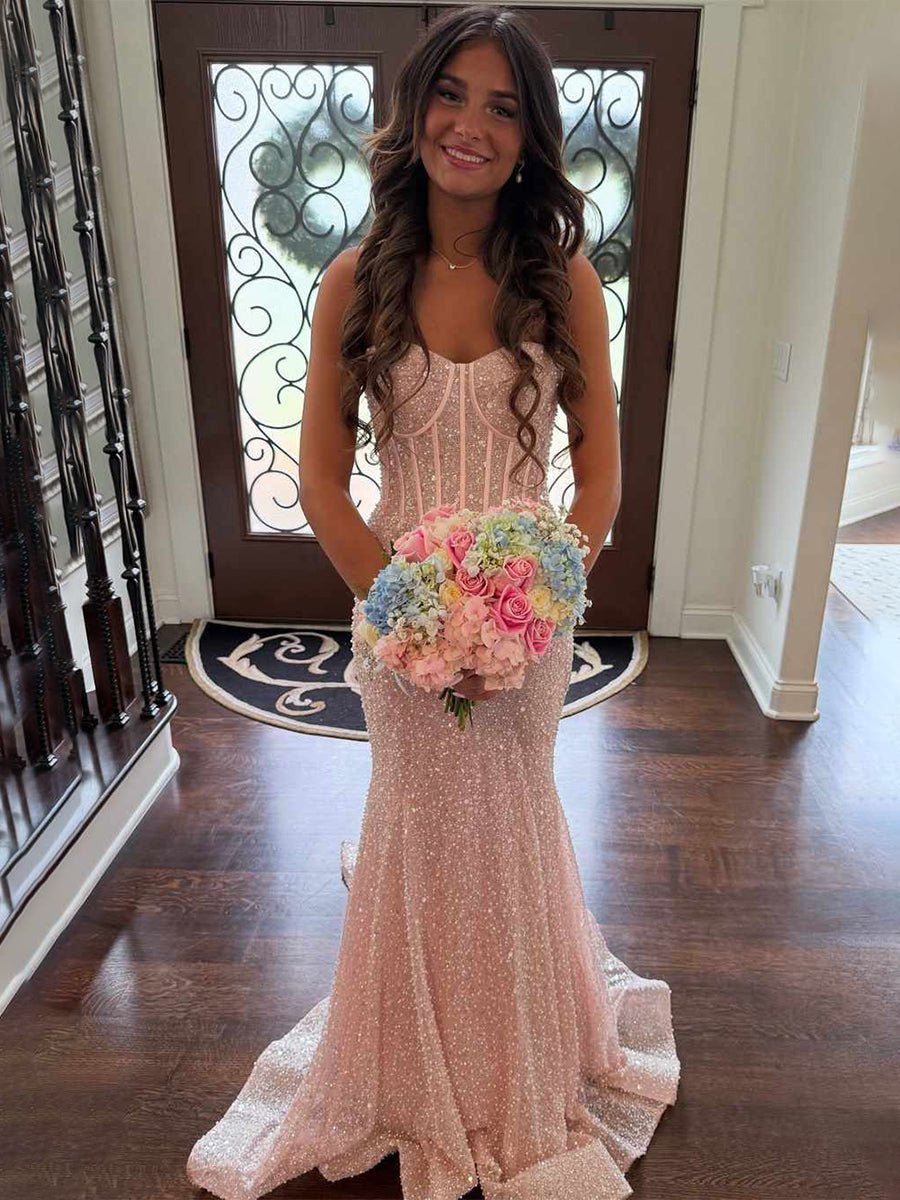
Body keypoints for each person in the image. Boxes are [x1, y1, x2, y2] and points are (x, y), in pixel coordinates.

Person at [186, 7, 680, 1198]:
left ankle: (520, 1056)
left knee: (510, 827)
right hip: (397, 623)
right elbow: (319, 481)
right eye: (453, 95)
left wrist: (531, 609)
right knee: (417, 830)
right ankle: (412, 1060)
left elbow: (600, 477)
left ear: (529, 138)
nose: (472, 125)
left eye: (503, 107)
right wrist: (410, 619)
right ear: (415, 114)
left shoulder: (564, 280)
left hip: (527, 626)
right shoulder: (353, 280)